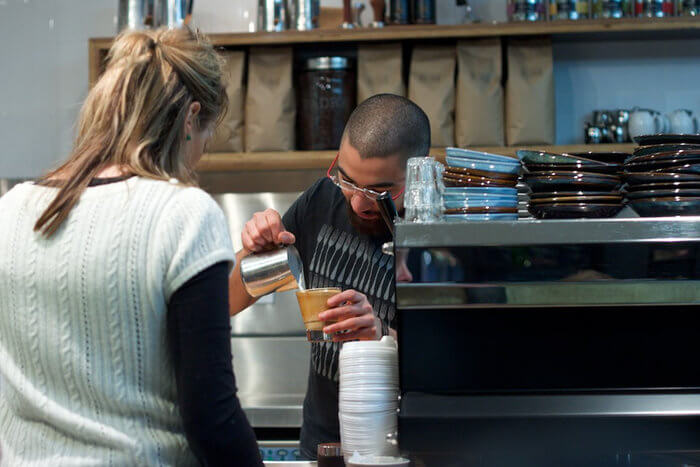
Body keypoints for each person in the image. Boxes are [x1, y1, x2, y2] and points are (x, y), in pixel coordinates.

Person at [0, 27, 261, 466]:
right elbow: (211, 418)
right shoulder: (183, 216)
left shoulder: (11, 210)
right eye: (206, 135)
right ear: (190, 118)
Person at [228, 94, 430, 458]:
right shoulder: (322, 198)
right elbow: (224, 303)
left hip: (406, 451)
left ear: (417, 173)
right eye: (348, 179)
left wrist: (383, 337)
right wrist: (253, 251)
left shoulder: (441, 232)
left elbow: (459, 367)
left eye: (380, 191)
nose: (357, 202)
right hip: (321, 447)